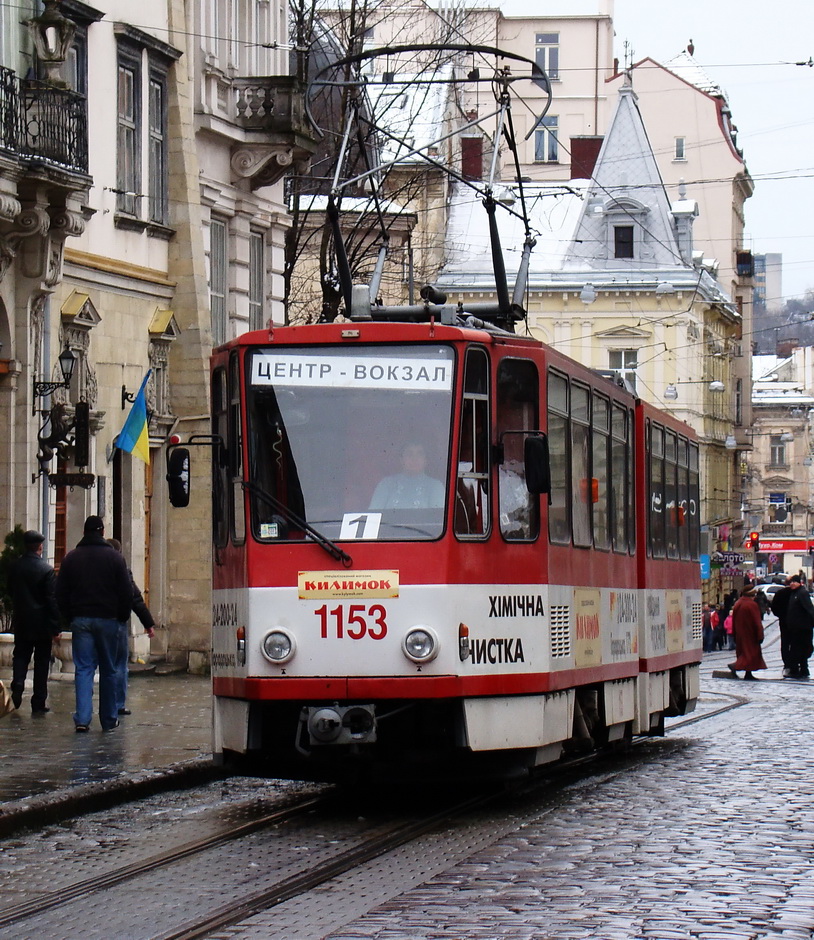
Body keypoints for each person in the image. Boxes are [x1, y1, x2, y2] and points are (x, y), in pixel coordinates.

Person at [55, 516, 133, 732]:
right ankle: (108, 719)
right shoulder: (114, 558)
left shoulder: (71, 558)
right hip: (108, 620)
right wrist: (121, 617)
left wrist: (69, 616)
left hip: (81, 619)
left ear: (84, 532)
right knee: (108, 670)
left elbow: (60, 592)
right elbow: (126, 592)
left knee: (84, 669)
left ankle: (82, 718)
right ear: (102, 531)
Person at [9, 530, 61, 713]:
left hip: (22, 619)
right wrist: (56, 627)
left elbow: (10, 591)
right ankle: (38, 701)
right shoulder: (45, 570)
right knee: (41, 661)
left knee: (21, 655)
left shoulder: (15, 566)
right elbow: (51, 600)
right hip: (41, 623)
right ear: (40, 546)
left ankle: (17, 682)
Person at [107, 538, 156, 716]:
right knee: (119, 665)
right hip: (117, 622)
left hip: (95, 620)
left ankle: (89, 709)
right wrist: (148, 623)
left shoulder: (93, 569)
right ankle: (118, 704)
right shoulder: (123, 571)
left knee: (90, 666)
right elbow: (135, 598)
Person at [369, 443, 444, 510]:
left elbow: (436, 518)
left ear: (426, 460)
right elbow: (374, 516)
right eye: (409, 454)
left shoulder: (435, 486)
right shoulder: (386, 484)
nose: (414, 459)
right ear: (401, 459)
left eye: (420, 454)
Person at [728, 585, 767, 680]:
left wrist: (734, 634)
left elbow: (733, 620)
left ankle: (748, 673)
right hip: (750, 635)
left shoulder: (738, 603)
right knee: (750, 655)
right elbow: (757, 622)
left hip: (740, 635)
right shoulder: (752, 605)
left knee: (744, 653)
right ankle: (735, 666)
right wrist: (760, 635)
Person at [783, 574, 814, 679]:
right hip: (795, 628)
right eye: (791, 582)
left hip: (802, 628)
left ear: (799, 583)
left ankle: (800, 669)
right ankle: (800, 669)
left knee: (799, 650)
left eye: (794, 582)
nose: (792, 584)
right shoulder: (794, 593)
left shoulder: (802, 593)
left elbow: (809, 609)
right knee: (797, 649)